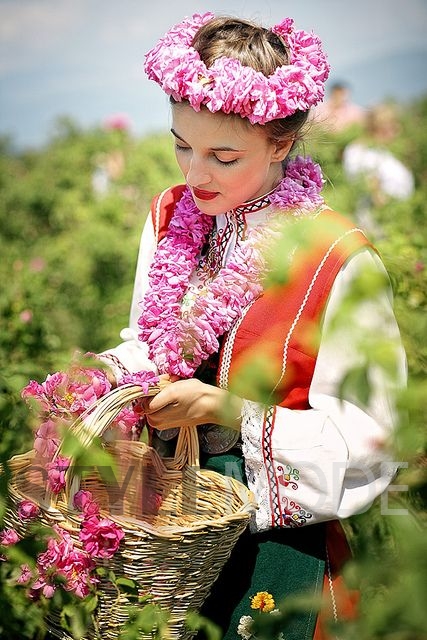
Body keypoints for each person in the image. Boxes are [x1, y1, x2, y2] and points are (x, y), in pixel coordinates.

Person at [95, 12, 406, 640]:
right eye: (181, 144)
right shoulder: (171, 216)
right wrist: (104, 385)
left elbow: (371, 441)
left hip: (281, 544)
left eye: (223, 155)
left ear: (281, 143)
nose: (194, 173)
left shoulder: (338, 258)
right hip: (168, 534)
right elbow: (146, 338)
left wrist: (229, 411)